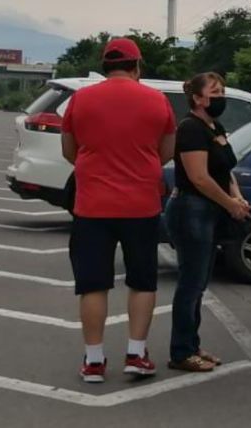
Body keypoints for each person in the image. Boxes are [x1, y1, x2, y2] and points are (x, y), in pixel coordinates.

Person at [61, 37, 176, 383]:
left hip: (92, 206)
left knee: (93, 284)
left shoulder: (81, 99)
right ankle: (136, 354)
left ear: (106, 66)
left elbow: (71, 151)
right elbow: (166, 151)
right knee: (142, 281)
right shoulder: (157, 101)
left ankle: (94, 360)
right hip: (141, 205)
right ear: (137, 66)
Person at [166, 72, 251, 373]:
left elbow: (225, 169)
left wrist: (237, 197)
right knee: (190, 283)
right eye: (215, 92)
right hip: (191, 209)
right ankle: (180, 351)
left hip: (210, 210)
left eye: (222, 91)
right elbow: (199, 178)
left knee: (200, 283)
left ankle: (191, 344)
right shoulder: (190, 129)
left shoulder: (215, 126)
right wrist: (229, 205)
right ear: (198, 98)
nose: (221, 97)